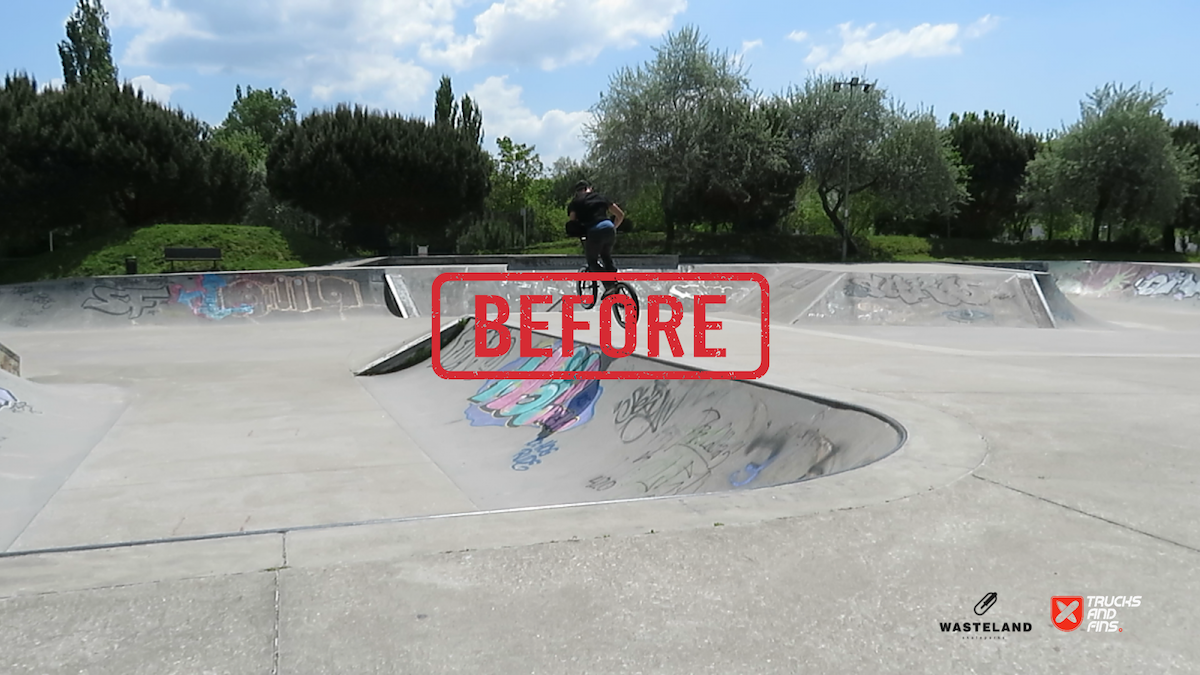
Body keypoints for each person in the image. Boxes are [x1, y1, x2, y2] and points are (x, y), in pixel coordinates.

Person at [567, 180, 624, 294]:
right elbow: (620, 215)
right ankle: (615, 285)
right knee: (606, 257)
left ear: (577, 192)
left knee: (592, 262)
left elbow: (572, 222)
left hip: (594, 232)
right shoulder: (601, 197)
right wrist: (613, 227)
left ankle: (609, 285)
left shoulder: (576, 202)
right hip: (609, 228)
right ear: (590, 188)